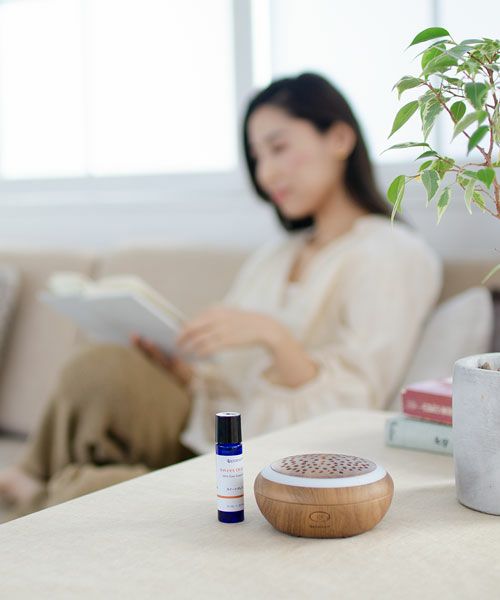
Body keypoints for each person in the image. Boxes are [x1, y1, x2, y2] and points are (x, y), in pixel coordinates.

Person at [0, 72, 442, 519]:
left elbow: (354, 404)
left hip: (270, 453)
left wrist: (274, 337)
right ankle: (32, 478)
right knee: (103, 364)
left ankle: (33, 496)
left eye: (278, 147)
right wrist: (183, 372)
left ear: (340, 138)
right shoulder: (276, 255)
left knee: (91, 490)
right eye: (257, 157)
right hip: (209, 424)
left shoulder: (392, 253)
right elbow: (228, 376)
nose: (265, 174)